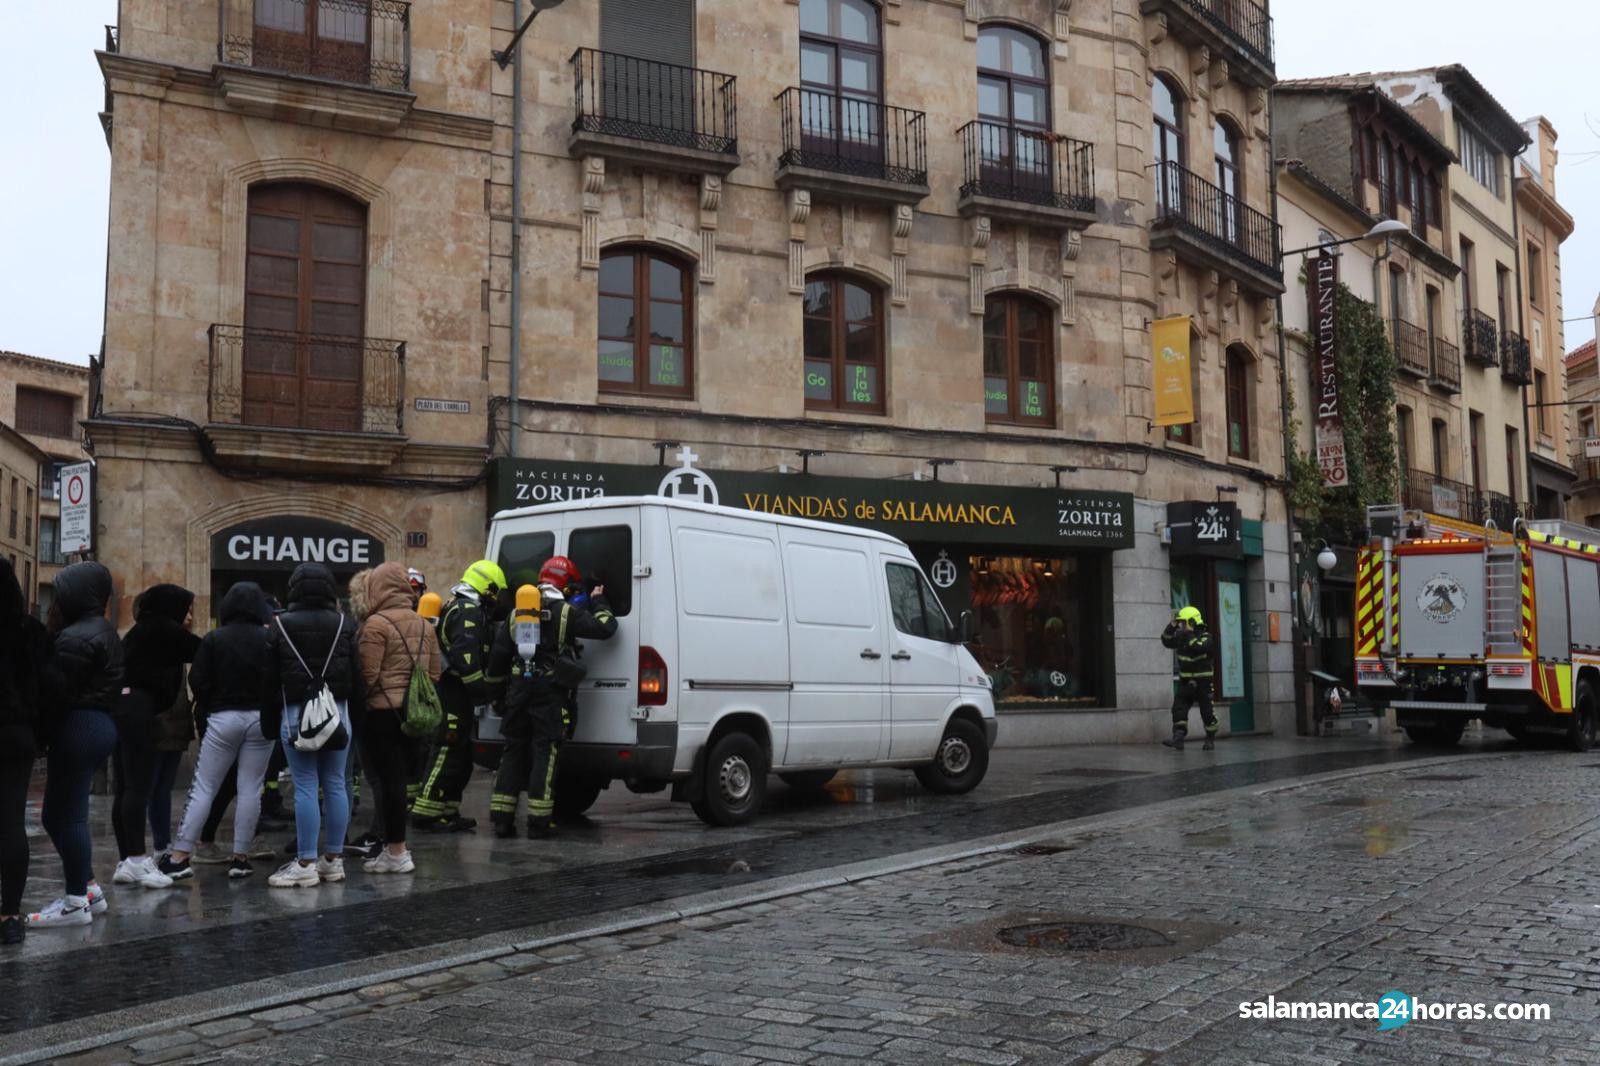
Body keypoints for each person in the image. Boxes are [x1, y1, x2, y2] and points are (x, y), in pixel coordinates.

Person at [487, 557, 616, 839]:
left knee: (513, 751)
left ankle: (502, 820)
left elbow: (498, 659)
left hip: (517, 691)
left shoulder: (516, 614)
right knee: (545, 751)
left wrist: (496, 695)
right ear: (565, 585)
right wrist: (600, 601)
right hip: (549, 691)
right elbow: (606, 627)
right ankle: (538, 822)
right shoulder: (566, 612)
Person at [160, 582, 276, 880]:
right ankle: (240, 857)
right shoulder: (270, 638)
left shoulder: (215, 639)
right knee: (251, 787)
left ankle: (180, 855)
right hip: (260, 719)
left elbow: (198, 680)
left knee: (204, 786)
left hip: (223, 717)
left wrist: (212, 706)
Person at [31, 562, 123, 927]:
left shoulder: (75, 637)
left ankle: (74, 902)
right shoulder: (103, 630)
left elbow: (56, 692)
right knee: (64, 814)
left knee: (66, 815)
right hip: (99, 724)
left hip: (79, 725)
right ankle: (88, 889)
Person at [262, 562, 360, 888]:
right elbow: (356, 672)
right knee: (335, 783)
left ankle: (305, 862)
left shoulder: (280, 625)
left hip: (296, 711)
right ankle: (333, 860)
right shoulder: (346, 623)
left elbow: (269, 675)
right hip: (338, 710)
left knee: (304, 785)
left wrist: (267, 716)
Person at [355, 562, 441, 873]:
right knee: (401, 782)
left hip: (381, 714)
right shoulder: (424, 625)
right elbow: (434, 674)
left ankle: (396, 851)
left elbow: (367, 675)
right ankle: (396, 849)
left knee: (388, 783)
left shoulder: (375, 625)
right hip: (413, 715)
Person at [113, 584, 200, 889]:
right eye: (186, 607)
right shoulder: (163, 628)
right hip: (140, 708)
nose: (189, 615)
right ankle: (137, 860)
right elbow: (201, 649)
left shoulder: (139, 631)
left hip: (125, 706)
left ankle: (128, 859)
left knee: (127, 787)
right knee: (139, 787)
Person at [412, 560, 507, 833]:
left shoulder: (462, 607)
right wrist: (484, 694)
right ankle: (426, 811)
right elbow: (467, 661)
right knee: (446, 750)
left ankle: (447, 810)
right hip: (453, 693)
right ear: (487, 588)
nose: (498, 599)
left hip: (456, 694)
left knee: (461, 757)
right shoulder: (467, 612)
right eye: (496, 592)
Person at [0, 559, 53, 945]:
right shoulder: (29, 630)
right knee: (11, 821)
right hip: (16, 732)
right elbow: (47, 685)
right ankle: (9, 915)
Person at [1161, 606, 1218, 751]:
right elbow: (1166, 640)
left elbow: (1198, 647)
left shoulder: (1206, 637)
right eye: (1181, 624)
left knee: (1207, 712)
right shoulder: (1182, 636)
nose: (1182, 626)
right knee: (1179, 708)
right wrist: (1173, 625)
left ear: (1192, 622)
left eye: (1184, 623)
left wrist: (1189, 634)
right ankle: (1178, 738)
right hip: (1185, 681)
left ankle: (1210, 738)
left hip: (1203, 682)